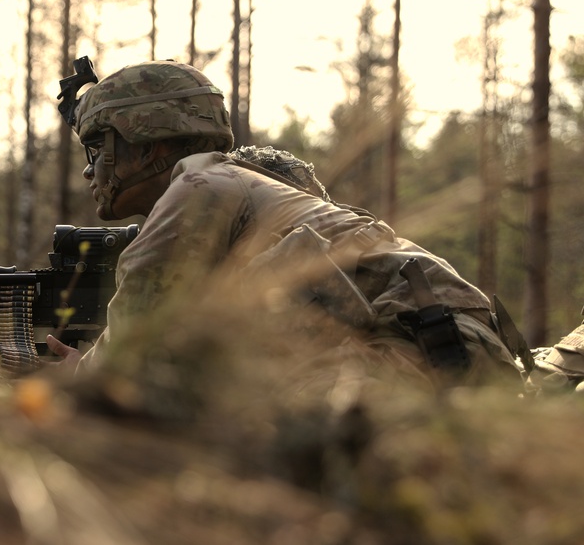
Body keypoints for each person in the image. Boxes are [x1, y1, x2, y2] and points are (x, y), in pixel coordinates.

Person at [45, 58, 527, 391]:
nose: (91, 170)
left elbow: (134, 339)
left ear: (146, 143)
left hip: (424, 354)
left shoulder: (200, 187)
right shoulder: (249, 185)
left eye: (97, 148)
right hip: (451, 351)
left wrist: (79, 376)